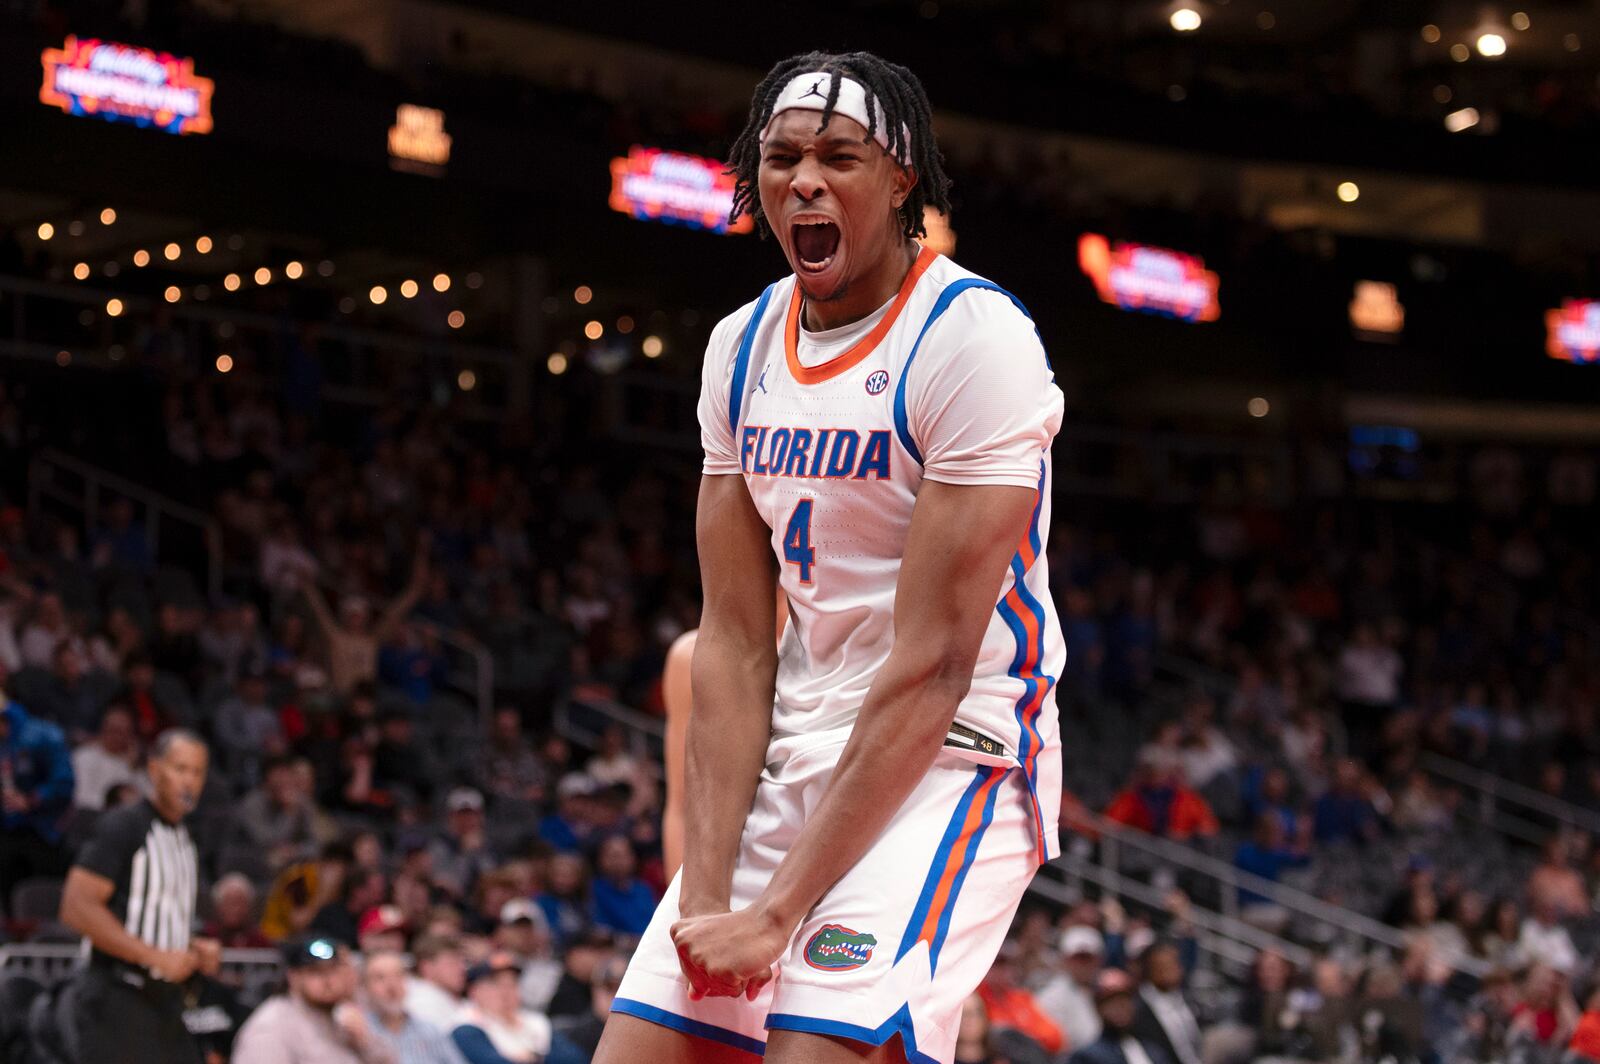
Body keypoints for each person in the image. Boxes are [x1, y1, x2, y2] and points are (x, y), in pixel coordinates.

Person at [601, 49, 1065, 1064]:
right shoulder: (740, 347)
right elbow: (730, 639)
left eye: (837, 156)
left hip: (954, 754)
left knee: (814, 1050)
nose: (802, 179)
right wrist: (713, 896)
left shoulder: (972, 338)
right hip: (800, 742)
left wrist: (782, 912)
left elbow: (936, 660)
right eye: (780, 157)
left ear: (902, 177)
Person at [58, 728, 216, 1064]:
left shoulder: (185, 838)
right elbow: (76, 907)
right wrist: (155, 956)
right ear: (155, 769)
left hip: (163, 1000)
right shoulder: (124, 826)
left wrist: (192, 947)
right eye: (180, 768)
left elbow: (155, 916)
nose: (189, 781)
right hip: (116, 995)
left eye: (197, 772)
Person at [233, 937, 395, 1063]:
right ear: (293, 977)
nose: (328, 981)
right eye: (315, 972)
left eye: (333, 970)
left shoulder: (341, 1019)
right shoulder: (271, 1027)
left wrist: (364, 1042)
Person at [0, 689, 75, 896]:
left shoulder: (42, 735)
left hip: (44, 830)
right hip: (7, 829)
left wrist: (32, 799)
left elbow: (64, 782)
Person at [363, 948, 469, 1064]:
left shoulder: (429, 1030)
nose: (391, 985)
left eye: (398, 975)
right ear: (365, 987)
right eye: (380, 978)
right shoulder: (361, 1032)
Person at [451, 951, 555, 1063]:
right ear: (474, 991)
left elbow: (568, 1057)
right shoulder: (466, 1025)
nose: (506, 991)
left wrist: (529, 1058)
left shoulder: (535, 1020)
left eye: (512, 983)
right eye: (496, 984)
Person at [1068, 969, 1173, 1064]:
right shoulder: (1088, 1057)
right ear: (1098, 1008)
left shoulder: (1152, 1049)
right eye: (1111, 1002)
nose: (1119, 1008)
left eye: (1124, 1001)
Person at [1132, 941, 1203, 1064]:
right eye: (1164, 965)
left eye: (1175, 962)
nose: (1174, 969)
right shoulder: (1139, 1009)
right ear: (1149, 968)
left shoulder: (1185, 997)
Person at [71, 702, 142, 810]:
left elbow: (143, 799)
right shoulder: (84, 757)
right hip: (90, 816)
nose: (118, 737)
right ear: (103, 729)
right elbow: (81, 797)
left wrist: (133, 768)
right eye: (114, 730)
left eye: (124, 732)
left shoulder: (131, 762)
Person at [406, 933, 469, 1030]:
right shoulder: (420, 1002)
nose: (462, 968)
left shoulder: (453, 998)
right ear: (427, 967)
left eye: (463, 962)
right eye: (452, 963)